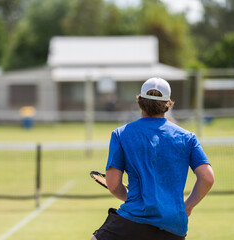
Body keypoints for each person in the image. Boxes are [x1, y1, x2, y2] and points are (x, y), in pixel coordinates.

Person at [91, 77, 214, 240]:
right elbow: (207, 177)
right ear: (168, 103)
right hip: (174, 225)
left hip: (133, 220)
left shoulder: (121, 134)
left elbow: (113, 185)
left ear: (140, 100)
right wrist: (187, 206)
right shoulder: (187, 137)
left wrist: (131, 197)